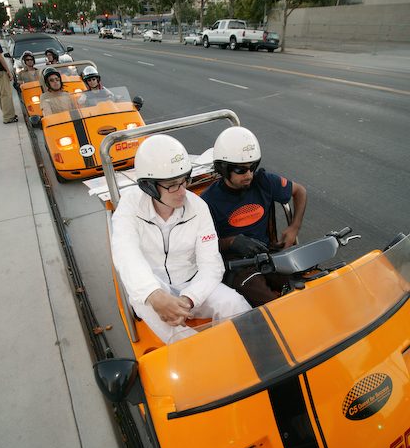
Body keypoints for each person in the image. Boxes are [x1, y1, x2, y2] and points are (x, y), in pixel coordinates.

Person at [111, 135, 251, 344]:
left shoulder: (198, 207)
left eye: (185, 181)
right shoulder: (130, 206)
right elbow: (126, 254)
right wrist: (154, 295)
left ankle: (256, 356)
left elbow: (211, 265)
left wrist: (188, 298)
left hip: (192, 282)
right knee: (169, 326)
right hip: (152, 286)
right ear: (149, 186)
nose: (183, 191)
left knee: (235, 304)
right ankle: (202, 360)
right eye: (173, 185)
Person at [201, 126, 307, 307]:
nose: (249, 175)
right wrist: (232, 242)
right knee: (270, 303)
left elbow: (300, 191)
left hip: (266, 252)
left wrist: (294, 226)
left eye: (253, 167)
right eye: (241, 170)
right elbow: (202, 245)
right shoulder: (208, 201)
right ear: (224, 168)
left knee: (303, 284)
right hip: (234, 264)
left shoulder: (264, 181)